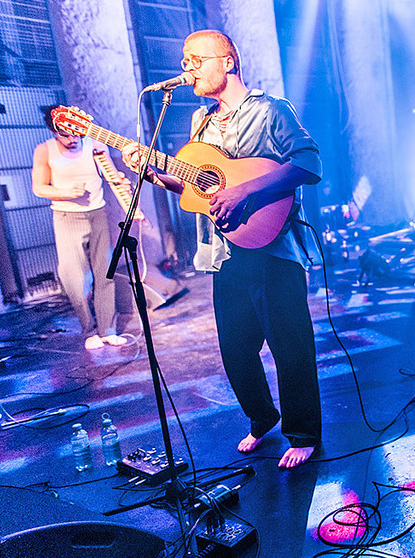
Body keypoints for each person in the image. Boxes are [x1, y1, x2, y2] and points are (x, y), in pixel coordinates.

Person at [122, 30, 323, 469]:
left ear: (227, 62)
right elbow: (196, 188)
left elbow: (309, 163)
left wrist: (246, 191)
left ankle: (304, 432)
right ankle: (262, 416)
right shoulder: (201, 120)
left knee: (290, 347)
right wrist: (154, 173)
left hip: (274, 248)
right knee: (235, 349)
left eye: (196, 59)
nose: (187, 68)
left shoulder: (271, 110)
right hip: (224, 252)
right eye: (184, 60)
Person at [32, 106, 127, 351]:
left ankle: (108, 330)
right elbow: (39, 187)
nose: (72, 138)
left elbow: (111, 176)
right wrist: (65, 193)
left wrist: (122, 185)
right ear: (54, 131)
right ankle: (89, 330)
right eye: (65, 134)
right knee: (74, 278)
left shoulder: (95, 144)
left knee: (105, 273)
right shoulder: (45, 150)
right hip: (66, 217)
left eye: (76, 133)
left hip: (97, 213)